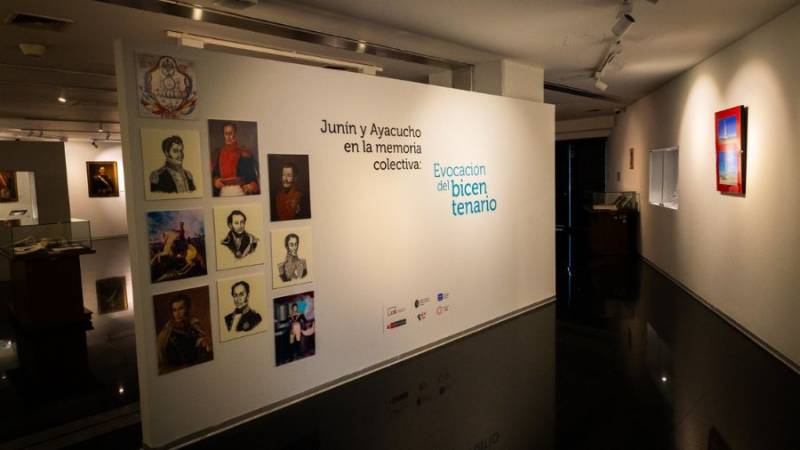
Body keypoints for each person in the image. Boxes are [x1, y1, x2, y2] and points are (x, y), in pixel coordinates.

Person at [157, 294, 212, 372]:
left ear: (187, 309)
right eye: (174, 310)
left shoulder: (194, 324)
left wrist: (202, 342)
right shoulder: (166, 333)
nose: (177, 313)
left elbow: (196, 340)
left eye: (181, 308)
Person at [211, 123, 259, 197]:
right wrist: (215, 181)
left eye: (230, 133)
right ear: (223, 135)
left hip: (239, 191)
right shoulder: (218, 153)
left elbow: (252, 177)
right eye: (226, 134)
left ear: (235, 134)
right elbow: (215, 175)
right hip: (223, 192)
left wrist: (250, 186)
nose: (228, 136)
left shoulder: (245, 153)